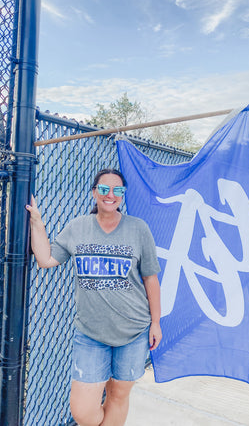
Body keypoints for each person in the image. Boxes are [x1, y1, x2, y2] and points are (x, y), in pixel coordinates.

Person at [26, 168, 162, 426]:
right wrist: (37, 222)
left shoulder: (138, 229)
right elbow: (46, 259)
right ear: (94, 193)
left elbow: (151, 279)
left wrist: (156, 323)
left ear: (122, 195)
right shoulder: (78, 227)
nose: (110, 195)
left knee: (118, 397)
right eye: (104, 189)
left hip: (132, 332)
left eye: (118, 190)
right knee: (83, 411)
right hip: (91, 334)